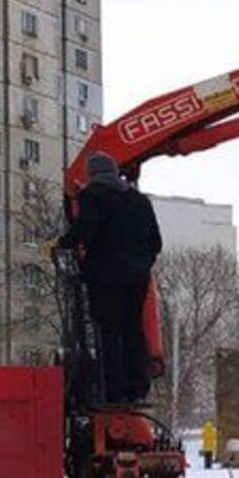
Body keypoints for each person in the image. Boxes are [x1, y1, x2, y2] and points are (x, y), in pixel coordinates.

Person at [58, 152, 162, 404]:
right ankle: (137, 387)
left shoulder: (94, 195)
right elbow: (156, 242)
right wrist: (140, 265)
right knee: (133, 330)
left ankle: (112, 390)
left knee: (108, 333)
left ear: (93, 174)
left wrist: (62, 243)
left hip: (105, 278)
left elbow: (85, 230)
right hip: (137, 279)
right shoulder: (139, 200)